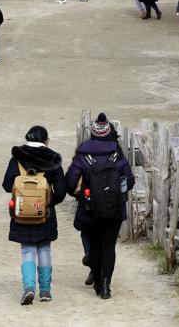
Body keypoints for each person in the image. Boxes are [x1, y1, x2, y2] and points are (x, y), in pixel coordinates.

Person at [66, 113, 135, 300]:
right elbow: (129, 180)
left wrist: (80, 196)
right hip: (113, 209)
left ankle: (97, 280)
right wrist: (116, 194)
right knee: (108, 247)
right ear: (108, 133)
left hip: (90, 208)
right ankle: (106, 285)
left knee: (94, 246)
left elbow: (70, 182)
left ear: (94, 133)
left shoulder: (83, 154)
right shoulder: (117, 153)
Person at [2, 125, 67, 304]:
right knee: (44, 249)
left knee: (27, 250)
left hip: (21, 212)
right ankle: (45, 290)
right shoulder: (53, 159)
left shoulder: (17, 158)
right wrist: (49, 202)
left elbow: (7, 185)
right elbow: (61, 190)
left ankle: (29, 287)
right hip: (45, 212)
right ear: (46, 140)